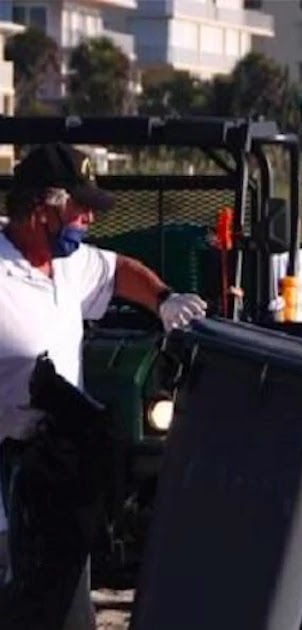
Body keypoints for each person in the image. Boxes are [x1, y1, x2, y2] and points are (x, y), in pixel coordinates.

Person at [0, 143, 207, 627]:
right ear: (42, 209)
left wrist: (162, 299)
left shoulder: (69, 266)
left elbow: (117, 273)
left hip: (51, 476)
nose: (90, 217)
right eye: (80, 207)